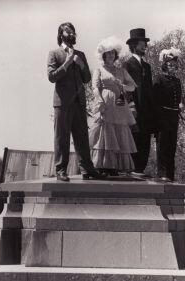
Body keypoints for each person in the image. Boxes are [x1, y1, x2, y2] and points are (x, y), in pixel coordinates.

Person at [47, 22, 107, 181]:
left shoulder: (80, 54)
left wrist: (81, 65)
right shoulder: (54, 53)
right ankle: (61, 170)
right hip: (62, 103)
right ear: (61, 34)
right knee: (62, 137)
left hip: (79, 102)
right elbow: (51, 76)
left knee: (82, 137)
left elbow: (87, 78)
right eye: (68, 31)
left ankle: (87, 169)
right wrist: (66, 63)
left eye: (73, 31)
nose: (72, 34)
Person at [89, 36, 138, 175]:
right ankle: (103, 165)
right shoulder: (99, 70)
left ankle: (116, 166)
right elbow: (94, 87)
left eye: (112, 53)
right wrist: (100, 102)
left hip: (120, 104)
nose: (110, 55)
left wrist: (122, 85)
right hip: (105, 102)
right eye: (108, 53)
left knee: (119, 130)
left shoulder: (121, 70)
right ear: (103, 55)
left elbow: (132, 87)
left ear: (115, 55)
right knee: (105, 131)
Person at [123, 28, 154, 177]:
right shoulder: (127, 64)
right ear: (134, 45)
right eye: (142, 44)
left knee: (145, 140)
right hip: (134, 109)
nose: (145, 46)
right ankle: (133, 169)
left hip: (147, 111)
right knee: (134, 138)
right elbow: (125, 88)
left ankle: (140, 169)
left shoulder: (147, 67)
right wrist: (131, 105)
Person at [152, 48, 183, 182]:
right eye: (170, 64)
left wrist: (179, 106)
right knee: (162, 145)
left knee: (172, 145)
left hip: (174, 116)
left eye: (174, 65)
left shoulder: (177, 81)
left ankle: (170, 174)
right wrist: (158, 116)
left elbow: (179, 97)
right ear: (165, 65)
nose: (172, 66)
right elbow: (153, 98)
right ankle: (162, 173)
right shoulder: (159, 79)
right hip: (162, 115)